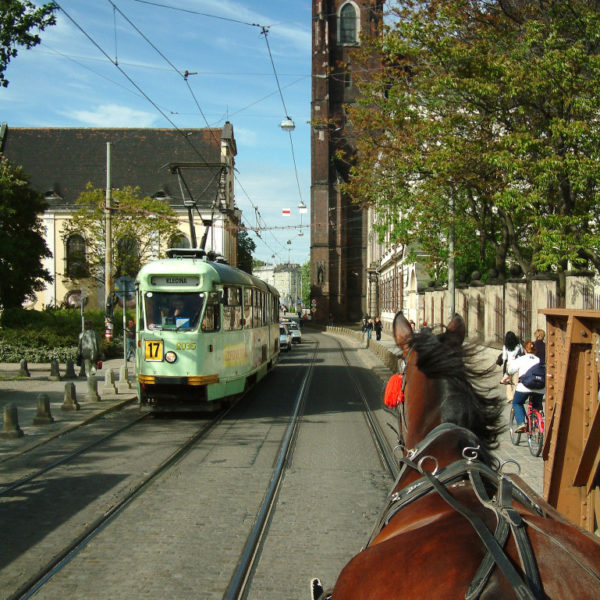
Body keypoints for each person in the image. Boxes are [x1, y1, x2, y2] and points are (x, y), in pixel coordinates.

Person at [502, 341, 544, 433]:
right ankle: (536, 421)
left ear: (525, 350)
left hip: (524, 387)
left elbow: (510, 370)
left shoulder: (521, 359)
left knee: (517, 403)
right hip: (540, 388)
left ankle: (521, 423)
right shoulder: (540, 360)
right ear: (535, 351)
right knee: (536, 405)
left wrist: (504, 379)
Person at [500, 331, 524, 403]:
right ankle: (514, 396)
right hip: (517, 364)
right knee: (516, 382)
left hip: (509, 364)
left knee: (508, 381)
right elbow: (522, 353)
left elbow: (504, 357)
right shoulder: (519, 345)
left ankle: (509, 397)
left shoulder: (505, 346)